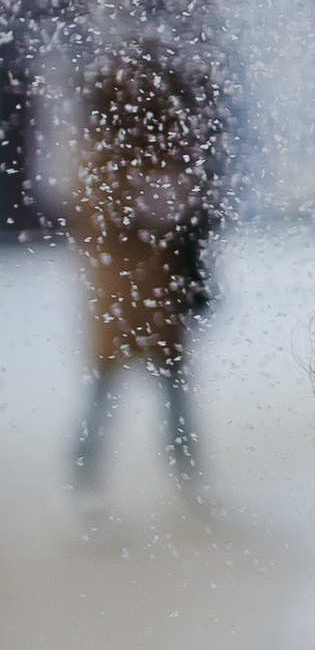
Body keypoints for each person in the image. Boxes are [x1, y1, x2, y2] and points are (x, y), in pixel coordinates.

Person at [67, 44, 218, 489]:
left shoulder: (120, 157)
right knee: (130, 387)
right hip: (134, 294)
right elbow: (112, 220)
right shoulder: (117, 161)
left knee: (145, 387)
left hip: (142, 294)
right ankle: (96, 473)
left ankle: (170, 470)